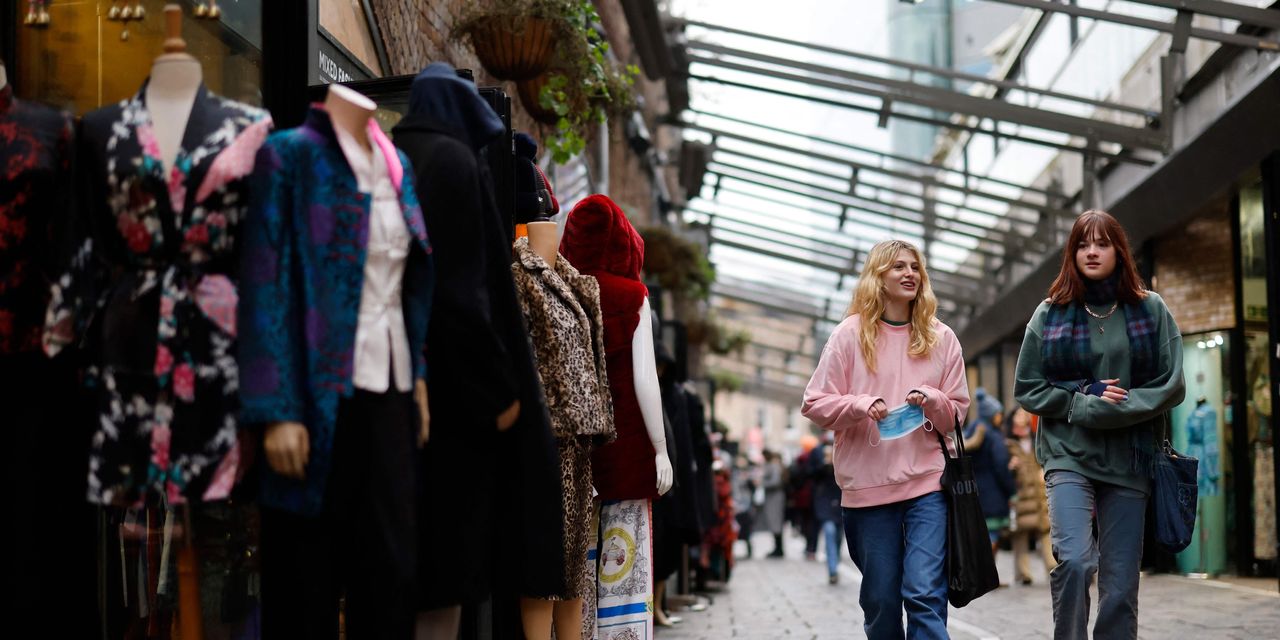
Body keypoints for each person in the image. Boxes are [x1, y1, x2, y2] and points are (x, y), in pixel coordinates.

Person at [1015, 209, 1185, 639]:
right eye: (1082, 244)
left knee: (1121, 584)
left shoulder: (1150, 309)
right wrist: (1080, 404)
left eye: (1102, 243)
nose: (1092, 252)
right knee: (1074, 562)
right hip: (1068, 455)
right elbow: (1028, 387)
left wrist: (1120, 407)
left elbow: (1171, 384)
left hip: (1130, 459)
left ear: (1119, 251)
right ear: (1071, 253)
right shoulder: (1050, 313)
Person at [802, 239, 970, 639]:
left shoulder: (941, 338)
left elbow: (957, 415)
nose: (909, 273)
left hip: (928, 485)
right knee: (881, 602)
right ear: (878, 276)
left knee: (925, 593)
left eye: (915, 267)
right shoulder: (848, 335)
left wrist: (933, 400)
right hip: (868, 491)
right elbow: (814, 404)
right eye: (897, 267)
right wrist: (860, 405)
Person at [1005, 406, 1058, 585]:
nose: (1022, 417)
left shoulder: (1035, 437)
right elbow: (1001, 467)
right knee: (1020, 534)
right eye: (1018, 414)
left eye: (1024, 414)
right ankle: (1023, 573)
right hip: (1020, 493)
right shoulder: (1007, 443)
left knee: (1045, 529)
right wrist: (1009, 466)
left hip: (1037, 491)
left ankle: (1052, 566)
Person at [964, 388, 1016, 561]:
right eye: (998, 414)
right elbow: (1001, 465)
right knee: (992, 535)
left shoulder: (972, 429)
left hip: (975, 491)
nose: (1001, 417)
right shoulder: (993, 436)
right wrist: (1011, 490)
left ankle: (986, 573)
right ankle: (987, 571)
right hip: (993, 493)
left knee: (982, 533)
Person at [812, 440, 844, 585]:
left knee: (838, 538)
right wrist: (825, 463)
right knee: (830, 534)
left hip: (842, 505)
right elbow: (811, 476)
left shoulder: (843, 461)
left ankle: (835, 564)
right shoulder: (820, 465)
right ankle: (832, 570)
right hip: (826, 507)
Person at [759, 450, 787, 558]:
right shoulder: (772, 465)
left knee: (776, 523)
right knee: (774, 523)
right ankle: (777, 547)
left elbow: (775, 482)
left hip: (775, 498)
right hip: (773, 498)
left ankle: (779, 549)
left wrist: (762, 482)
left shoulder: (773, 466)